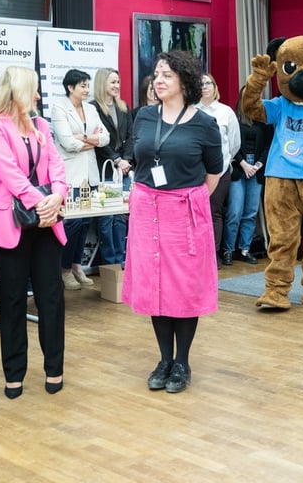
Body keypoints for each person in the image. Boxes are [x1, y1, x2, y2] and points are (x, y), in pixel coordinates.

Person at [121, 51, 222, 394]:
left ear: (185, 81)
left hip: (185, 212)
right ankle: (164, 359)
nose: (158, 80)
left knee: (183, 287)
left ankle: (182, 361)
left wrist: (188, 203)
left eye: (166, 75)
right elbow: (141, 161)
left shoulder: (204, 124)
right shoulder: (144, 117)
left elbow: (214, 173)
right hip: (147, 210)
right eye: (156, 74)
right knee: (155, 287)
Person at [0, 66, 68, 399]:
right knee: (12, 302)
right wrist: (44, 202)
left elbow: (57, 167)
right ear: (16, 92)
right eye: (34, 90)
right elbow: (10, 175)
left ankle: (54, 368)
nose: (39, 96)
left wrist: (56, 196)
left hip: (46, 224)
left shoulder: (41, 125)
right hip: (10, 226)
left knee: (51, 299)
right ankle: (14, 374)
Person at [50, 69, 109, 290]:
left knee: (85, 223)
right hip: (70, 174)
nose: (86, 90)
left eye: (87, 85)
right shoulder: (59, 107)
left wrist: (84, 138)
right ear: (70, 87)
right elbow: (67, 143)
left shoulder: (92, 108)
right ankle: (63, 269)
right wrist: (91, 141)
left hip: (89, 173)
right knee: (72, 223)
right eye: (82, 86)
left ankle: (76, 266)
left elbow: (105, 138)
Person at [195, 73, 240, 266]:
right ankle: (196, 254)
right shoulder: (191, 110)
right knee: (196, 212)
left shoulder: (225, 112)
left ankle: (212, 255)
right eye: (201, 84)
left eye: (208, 83)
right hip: (195, 172)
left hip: (220, 172)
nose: (205, 87)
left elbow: (234, 143)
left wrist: (222, 161)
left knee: (214, 212)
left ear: (214, 87)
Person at [222, 86, 270, 266]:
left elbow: (268, 145)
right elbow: (230, 144)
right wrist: (243, 163)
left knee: (250, 213)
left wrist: (257, 165)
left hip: (256, 171)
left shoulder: (264, 120)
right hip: (238, 168)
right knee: (235, 212)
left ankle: (244, 249)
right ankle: (228, 249)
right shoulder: (233, 117)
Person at [91, 68, 134, 267]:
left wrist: (126, 159)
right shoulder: (93, 108)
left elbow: (132, 136)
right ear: (102, 84)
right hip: (105, 169)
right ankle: (109, 263)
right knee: (107, 218)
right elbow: (100, 141)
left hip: (124, 169)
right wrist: (116, 159)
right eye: (112, 82)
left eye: (118, 82)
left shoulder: (123, 106)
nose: (117, 86)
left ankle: (122, 259)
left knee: (121, 216)